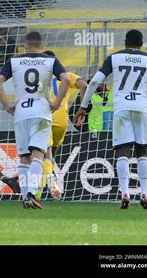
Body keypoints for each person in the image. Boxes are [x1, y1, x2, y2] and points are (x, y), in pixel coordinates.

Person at [74, 30, 147, 210]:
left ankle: (125, 193)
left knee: (122, 150)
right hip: (142, 108)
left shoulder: (114, 58)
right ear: (141, 43)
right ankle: (145, 193)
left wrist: (83, 106)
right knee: (142, 150)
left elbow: (93, 82)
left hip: (122, 108)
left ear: (125, 42)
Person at [0, 31, 69, 209]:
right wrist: (56, 103)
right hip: (41, 111)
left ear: (25, 46)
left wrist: (6, 104)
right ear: (42, 45)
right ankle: (33, 192)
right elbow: (65, 78)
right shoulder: (50, 61)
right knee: (38, 155)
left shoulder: (14, 61)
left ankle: (25, 195)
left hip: (21, 112)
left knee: (24, 157)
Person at [34, 50, 87, 201]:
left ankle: (50, 181)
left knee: (44, 154)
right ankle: (39, 191)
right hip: (61, 121)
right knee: (50, 154)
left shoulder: (38, 76)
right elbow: (84, 85)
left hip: (45, 116)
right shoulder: (67, 75)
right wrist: (81, 107)